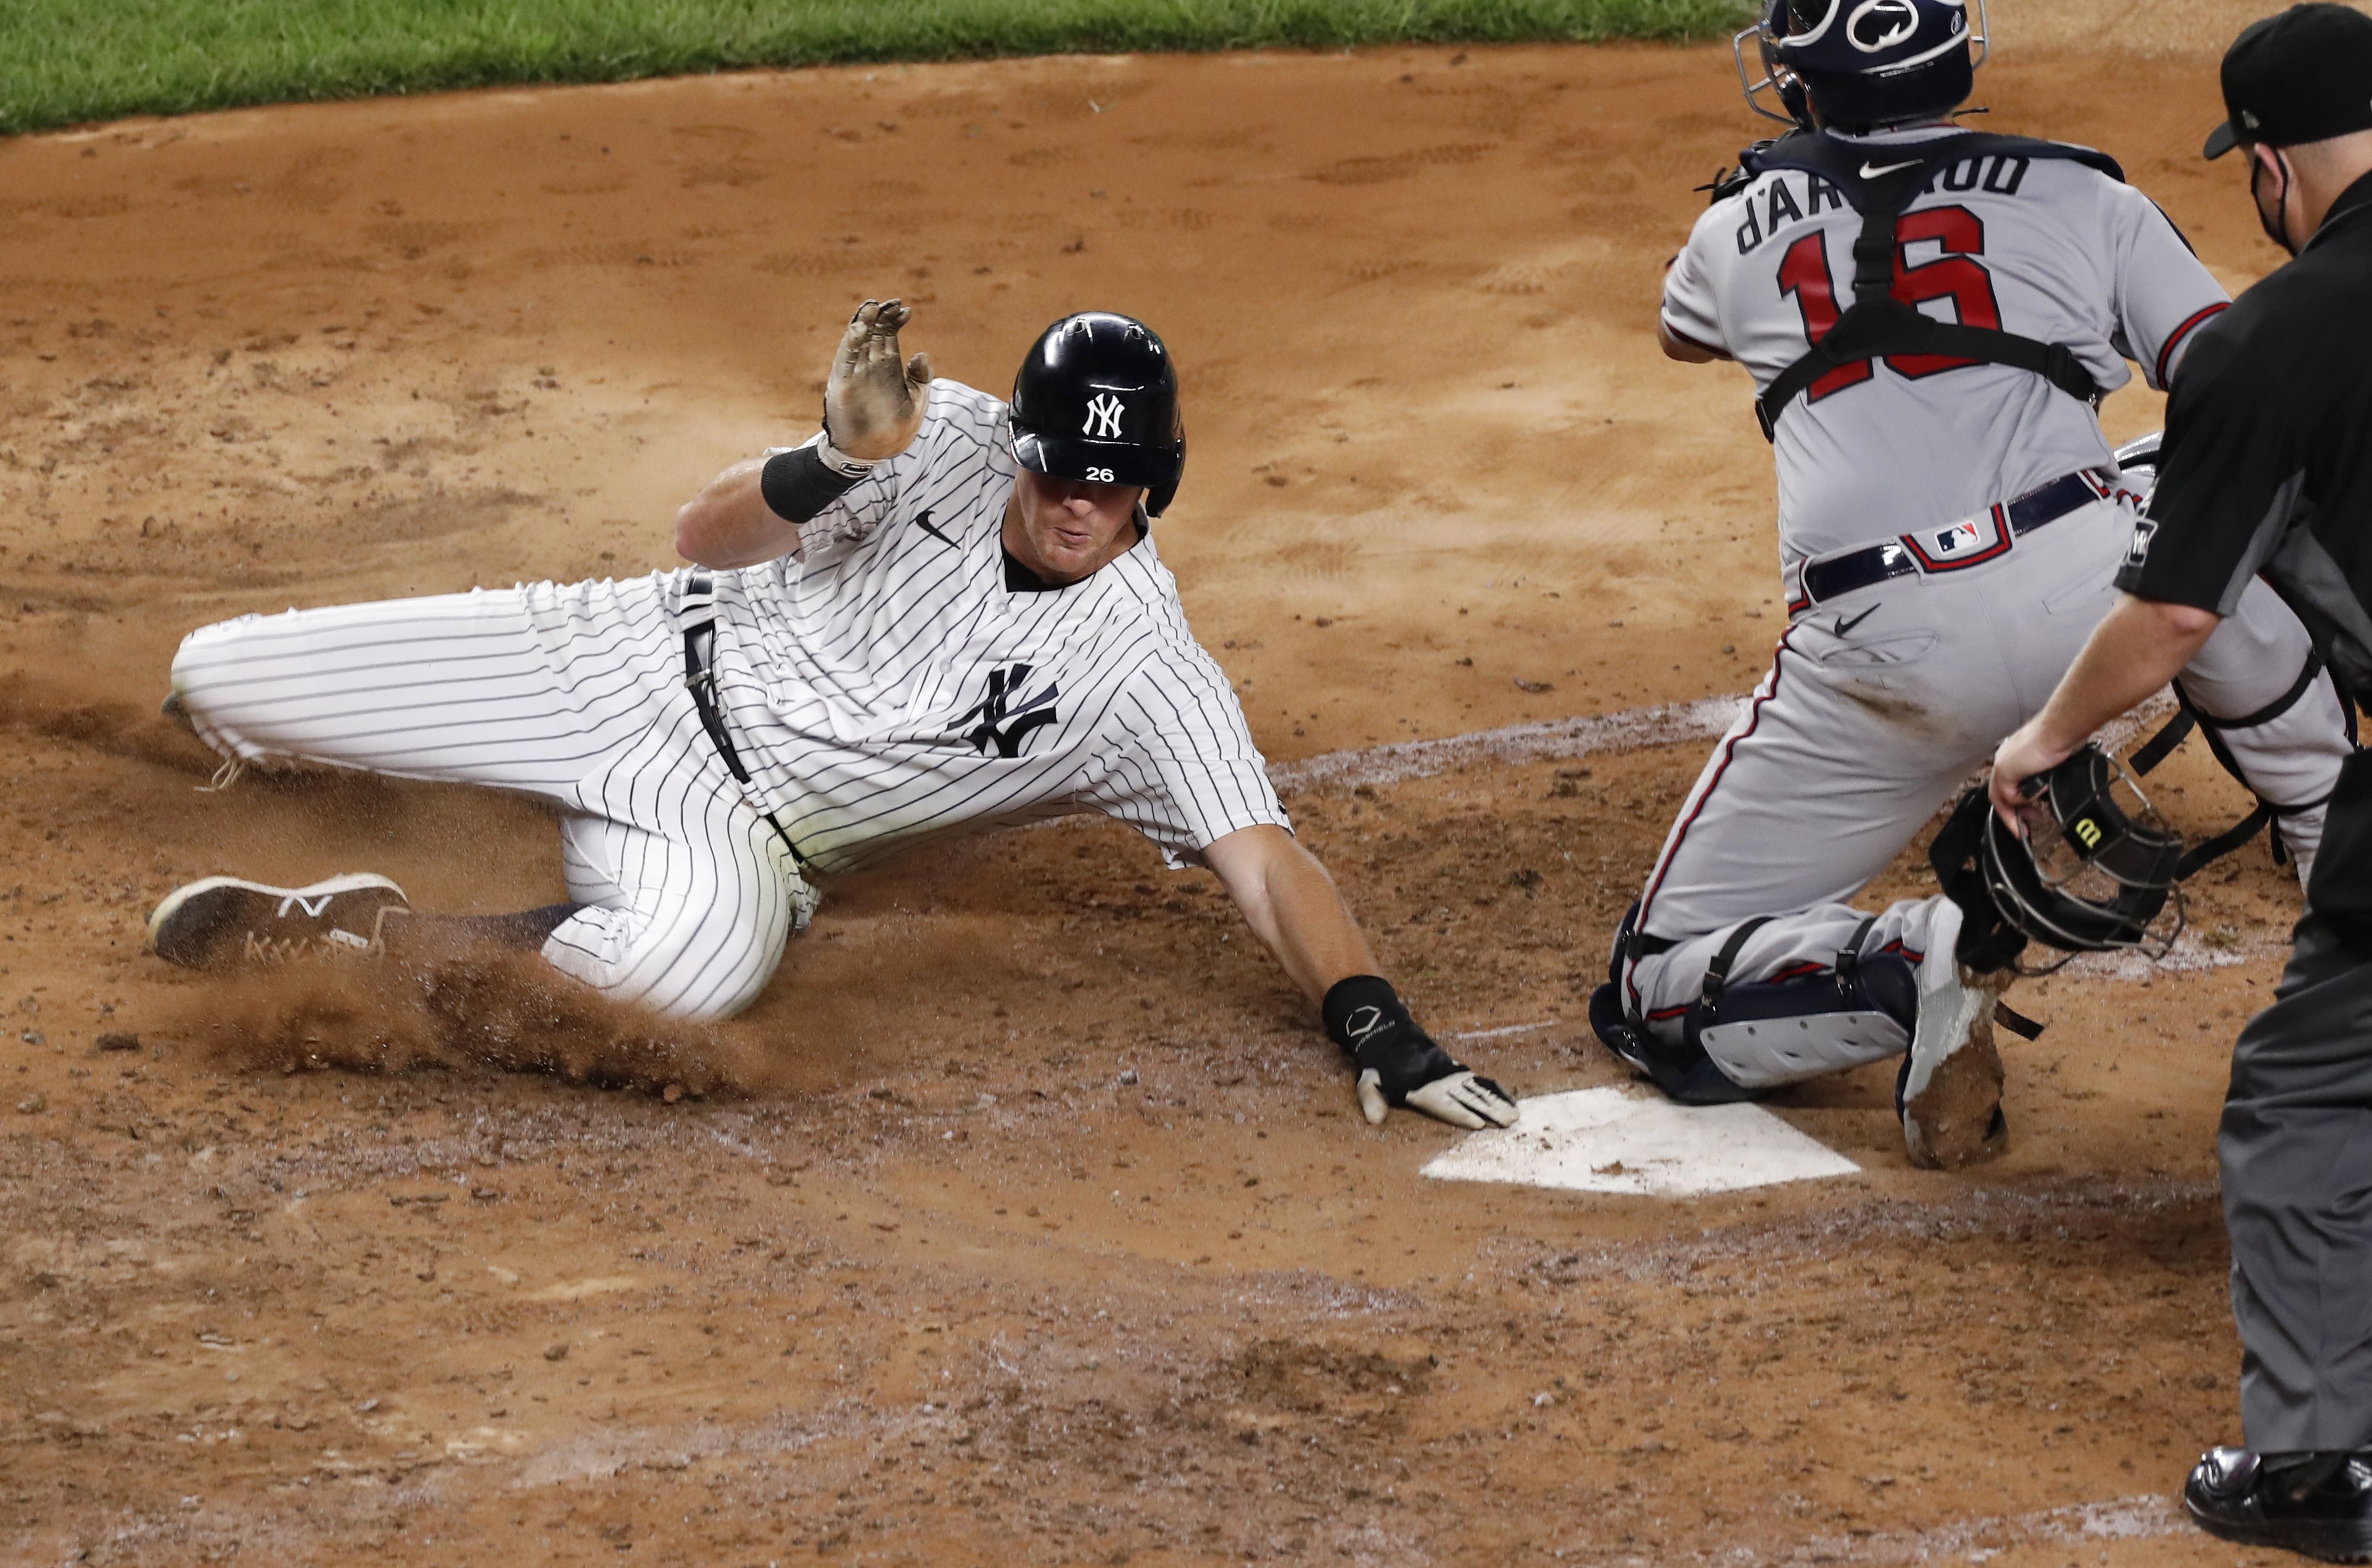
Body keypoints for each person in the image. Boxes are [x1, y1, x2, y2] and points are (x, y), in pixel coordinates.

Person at [148, 302, 1518, 1133]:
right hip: (620, 658)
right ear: (1023, 441)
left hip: (732, 835)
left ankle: (370, 929)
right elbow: (700, 529)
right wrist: (829, 459)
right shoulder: (930, 433)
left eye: (1109, 483)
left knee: (683, 979)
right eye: (1056, 467)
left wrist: (1373, 1018)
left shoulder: (1144, 673)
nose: (1073, 501)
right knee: (215, 681)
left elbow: (1267, 862)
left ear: (1155, 486)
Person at [1589, 0, 2353, 1167]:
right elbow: (2240, 391)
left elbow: (1679, 330)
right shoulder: (2085, 193)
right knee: (2210, 493)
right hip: (2095, 599)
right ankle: (2339, 840)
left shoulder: (1732, 236)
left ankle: (1914, 956)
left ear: (1794, 75)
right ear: (1956, 46)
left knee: (1652, 989)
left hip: (1879, 654)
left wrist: (1779, 192)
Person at [1993, 2, 2372, 1563]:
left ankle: (2317, 1464)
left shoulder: (2268, 339)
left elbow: (2177, 612)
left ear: (2266, 166)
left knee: (2314, 1093)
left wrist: (2042, 740)